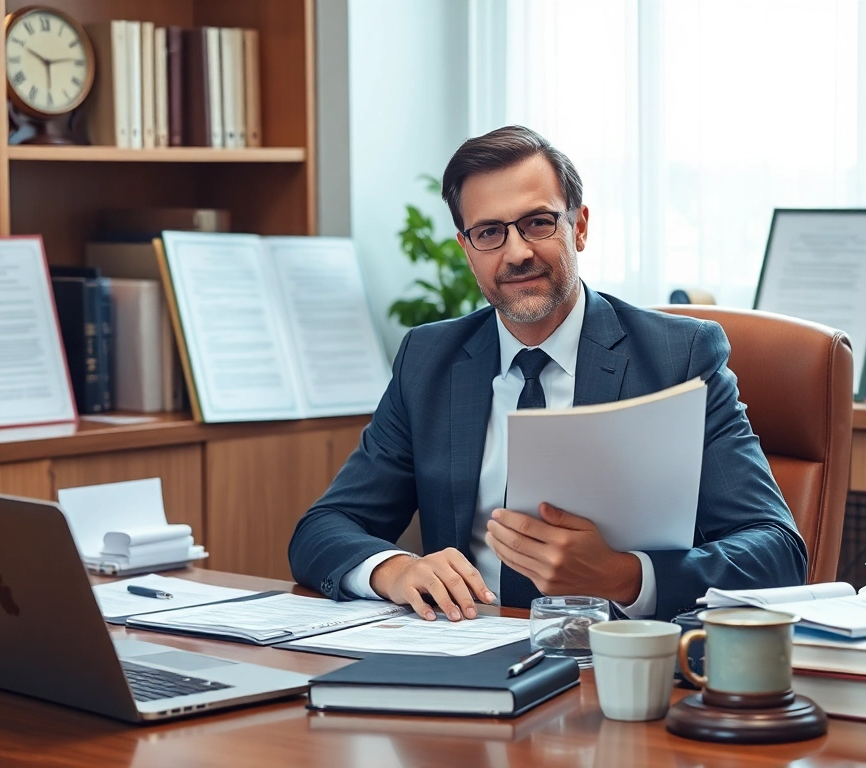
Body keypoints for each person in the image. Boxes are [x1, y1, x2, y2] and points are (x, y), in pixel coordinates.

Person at [288, 125, 806, 622]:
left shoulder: (678, 358)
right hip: (466, 653)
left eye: (538, 222)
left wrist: (626, 577)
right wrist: (395, 569)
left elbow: (776, 551)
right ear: (467, 251)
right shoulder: (429, 360)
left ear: (578, 227)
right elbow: (324, 528)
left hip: (615, 661)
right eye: (489, 233)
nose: (517, 253)